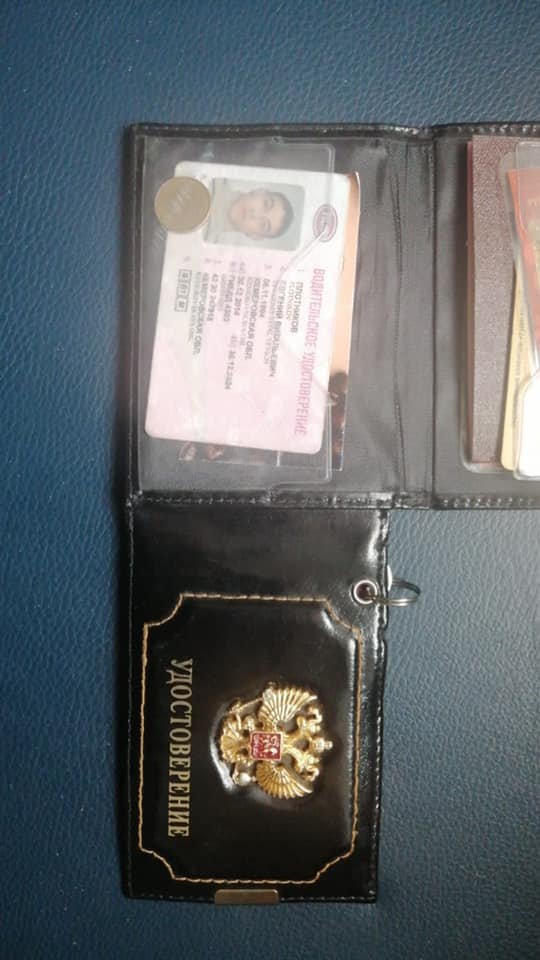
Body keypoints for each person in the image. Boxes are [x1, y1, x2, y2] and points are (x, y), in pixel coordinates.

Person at [205, 180, 294, 245]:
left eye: (263, 224)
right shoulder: (212, 178)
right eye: (266, 204)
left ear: (256, 237)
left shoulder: (208, 245)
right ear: (260, 191)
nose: (254, 214)